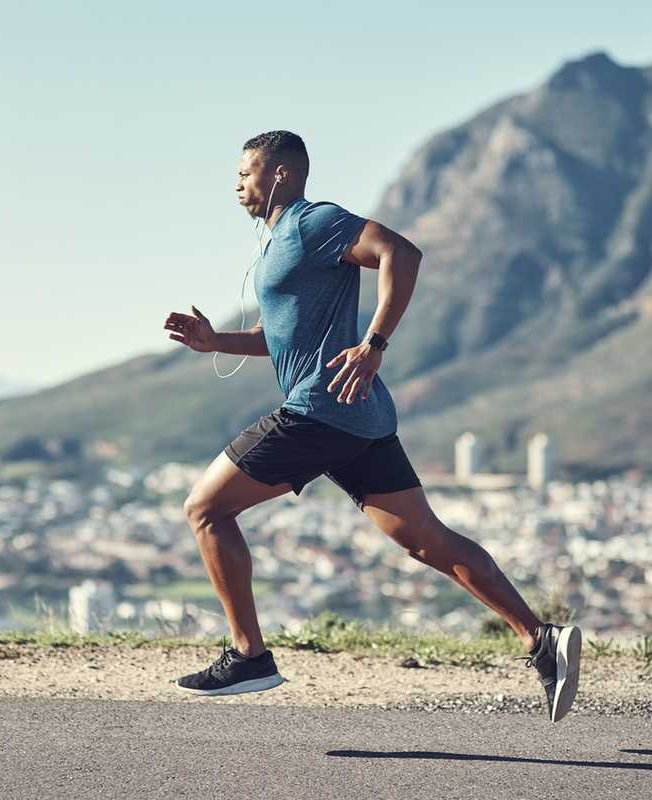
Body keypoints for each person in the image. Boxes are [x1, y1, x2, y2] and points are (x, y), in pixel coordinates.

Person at [161, 130, 582, 722]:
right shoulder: (283, 242)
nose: (237, 185)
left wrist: (374, 343)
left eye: (245, 173)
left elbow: (401, 253)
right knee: (424, 539)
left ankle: (249, 655)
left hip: (319, 410)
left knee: (205, 509)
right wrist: (214, 341)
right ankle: (543, 642)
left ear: (279, 174)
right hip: (357, 417)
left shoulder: (315, 222)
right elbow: (275, 338)